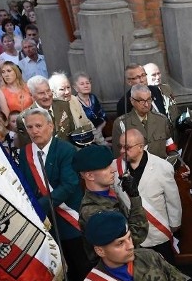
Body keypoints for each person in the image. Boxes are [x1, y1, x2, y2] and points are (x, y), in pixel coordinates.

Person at [17, 108, 89, 281]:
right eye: (30, 127)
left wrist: (38, 206)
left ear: (50, 126)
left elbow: (70, 184)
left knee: (77, 261)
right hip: (45, 219)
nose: (34, 131)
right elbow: (24, 184)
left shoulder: (65, 149)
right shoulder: (25, 153)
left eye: (38, 126)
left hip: (68, 216)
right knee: (56, 259)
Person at [116, 129, 182, 264]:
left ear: (141, 147)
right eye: (120, 146)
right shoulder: (115, 167)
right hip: (131, 236)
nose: (122, 150)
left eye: (127, 147)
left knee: (166, 270)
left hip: (157, 232)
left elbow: (173, 199)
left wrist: (175, 224)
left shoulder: (162, 167)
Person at [73, 144, 148, 260]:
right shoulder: (93, 211)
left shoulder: (109, 193)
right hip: (116, 268)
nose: (113, 170)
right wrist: (135, 198)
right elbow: (134, 237)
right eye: (105, 168)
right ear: (90, 175)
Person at [113, 84, 178, 160]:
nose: (146, 104)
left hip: (161, 168)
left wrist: (178, 164)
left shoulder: (161, 120)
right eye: (141, 101)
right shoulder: (122, 124)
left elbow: (170, 146)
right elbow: (119, 157)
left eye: (149, 100)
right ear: (132, 101)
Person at [15, 75, 76, 146]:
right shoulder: (24, 118)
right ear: (32, 95)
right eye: (41, 93)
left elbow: (72, 132)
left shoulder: (63, 105)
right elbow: (28, 147)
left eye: (48, 91)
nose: (47, 96)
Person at [74, 73, 106, 144]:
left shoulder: (93, 97)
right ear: (76, 88)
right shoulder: (74, 102)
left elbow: (102, 115)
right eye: (82, 84)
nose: (86, 86)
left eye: (87, 83)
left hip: (101, 132)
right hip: (86, 138)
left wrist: (99, 129)